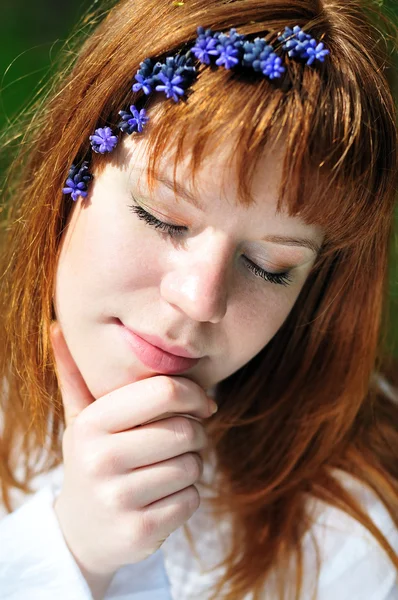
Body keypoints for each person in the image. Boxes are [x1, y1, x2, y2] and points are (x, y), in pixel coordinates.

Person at [0, 0, 397, 598]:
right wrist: (67, 553)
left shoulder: (351, 535)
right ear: (73, 170)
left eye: (269, 267)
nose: (199, 299)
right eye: (161, 218)